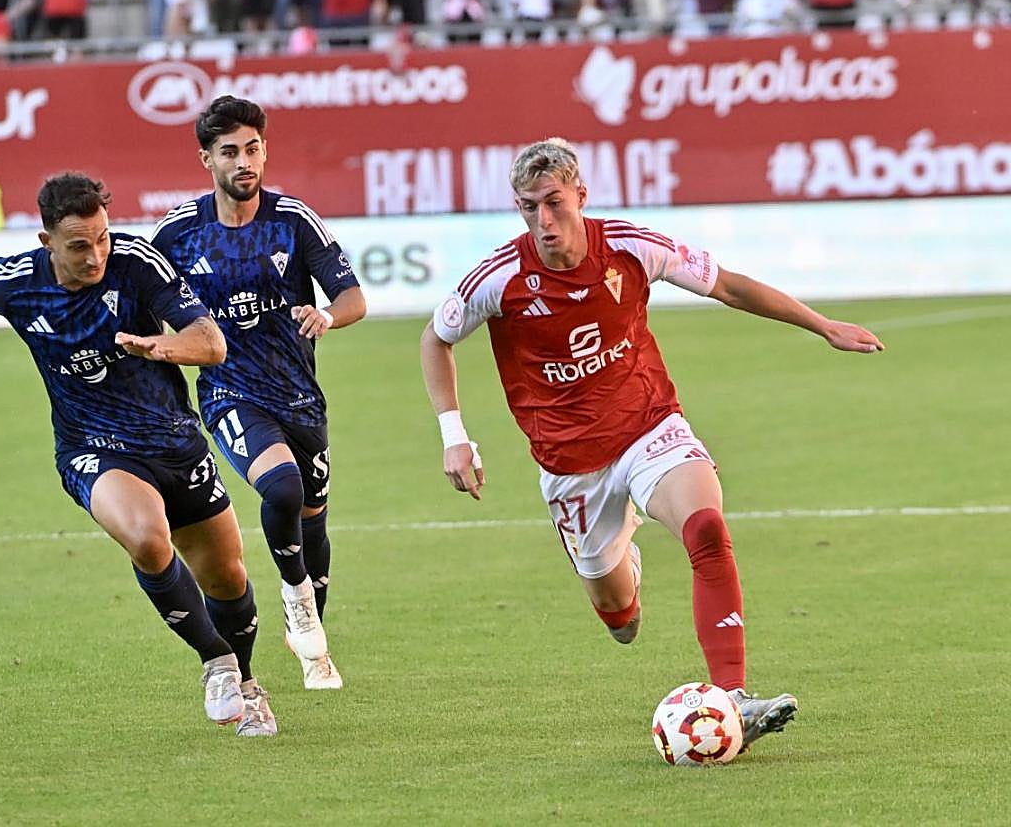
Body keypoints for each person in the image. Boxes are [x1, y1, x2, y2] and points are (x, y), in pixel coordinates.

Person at [419, 138, 885, 751]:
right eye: (529, 207)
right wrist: (454, 436)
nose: (544, 220)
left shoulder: (633, 248)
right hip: (571, 464)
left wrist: (823, 326)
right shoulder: (500, 277)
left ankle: (734, 697)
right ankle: (623, 568)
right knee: (621, 621)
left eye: (554, 203)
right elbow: (435, 339)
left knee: (707, 529)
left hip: (649, 428)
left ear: (580, 196)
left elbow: (729, 287)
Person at [0, 173, 278, 738]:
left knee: (227, 578)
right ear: (47, 243)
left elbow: (211, 344)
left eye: (102, 238)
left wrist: (159, 346)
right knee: (147, 539)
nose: (96, 255)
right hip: (92, 448)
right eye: (79, 245)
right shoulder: (15, 283)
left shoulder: (136, 262)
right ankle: (217, 661)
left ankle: (249, 685)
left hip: (173, 442)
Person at [151, 96, 367, 690]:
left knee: (313, 521)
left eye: (252, 149)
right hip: (229, 393)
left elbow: (353, 297)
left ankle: (309, 623)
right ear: (207, 160)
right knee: (283, 487)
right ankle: (296, 598)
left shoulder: (293, 219)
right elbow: (143, 298)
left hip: (298, 396)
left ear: (265, 150)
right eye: (229, 152)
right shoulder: (177, 232)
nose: (243, 162)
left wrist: (328, 316)